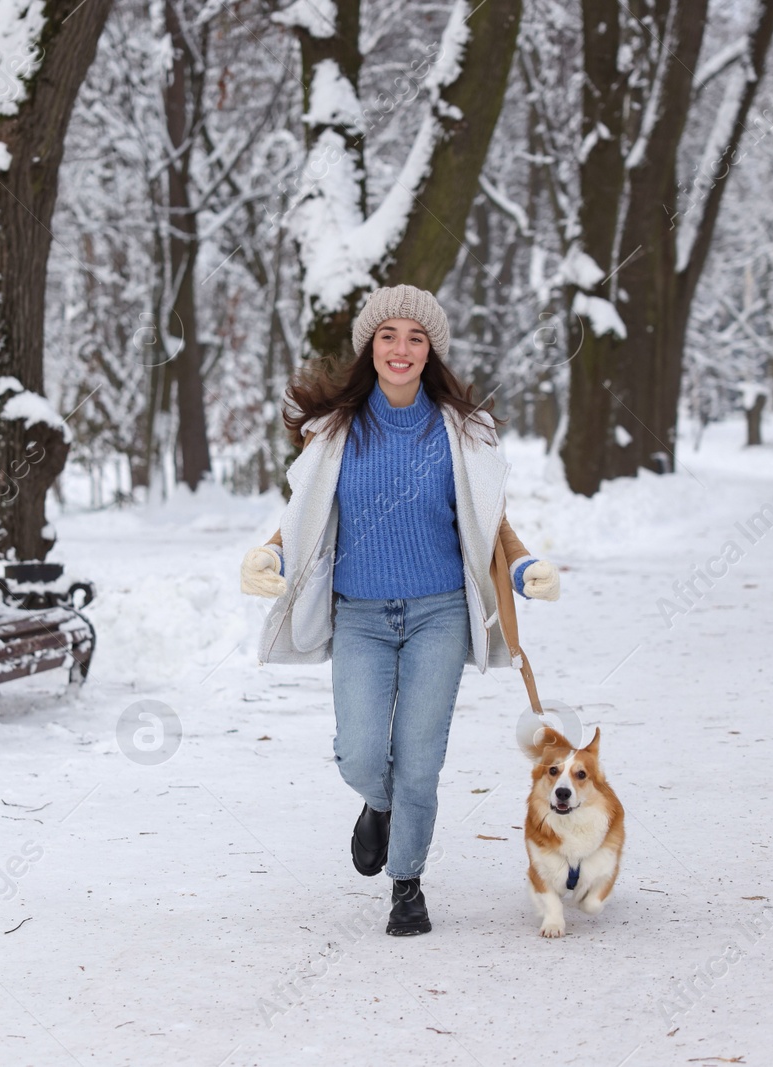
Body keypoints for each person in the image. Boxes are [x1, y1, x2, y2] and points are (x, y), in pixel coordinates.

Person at [238, 284, 561, 936]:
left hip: (438, 613)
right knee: (359, 752)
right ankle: (377, 805)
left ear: (430, 351)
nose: (402, 348)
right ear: (371, 347)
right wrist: (268, 553)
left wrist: (523, 566)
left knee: (420, 757)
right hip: (360, 614)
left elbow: (491, 524)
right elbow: (300, 517)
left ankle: (406, 884)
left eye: (416, 338)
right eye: (389, 335)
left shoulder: (464, 433)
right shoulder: (333, 432)